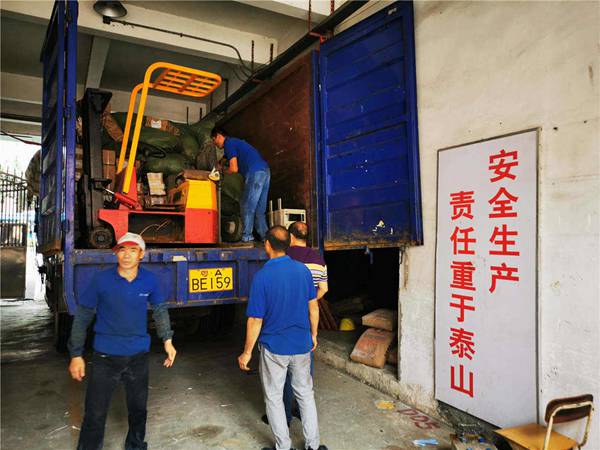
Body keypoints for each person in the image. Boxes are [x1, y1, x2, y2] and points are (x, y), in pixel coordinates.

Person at [68, 232, 176, 450]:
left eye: (133, 250)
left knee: (138, 410)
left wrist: (167, 340)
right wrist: (76, 354)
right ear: (116, 253)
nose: (127, 255)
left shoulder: (149, 280)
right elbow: (83, 316)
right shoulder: (101, 280)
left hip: (138, 356)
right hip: (105, 356)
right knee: (95, 412)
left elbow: (160, 309)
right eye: (122, 250)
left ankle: (135, 445)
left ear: (141, 254)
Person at [238, 226, 327, 450]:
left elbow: (255, 320)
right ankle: (313, 445)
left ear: (267, 245)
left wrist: (247, 352)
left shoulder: (262, 277)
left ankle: (284, 446)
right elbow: (313, 307)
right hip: (301, 344)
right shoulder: (303, 271)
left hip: (274, 347)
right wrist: (313, 334)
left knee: (274, 397)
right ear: (288, 244)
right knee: (305, 394)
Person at [262, 221, 328, 426]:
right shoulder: (318, 259)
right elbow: (324, 289)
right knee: (303, 373)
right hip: (306, 319)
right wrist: (308, 301)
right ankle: (300, 411)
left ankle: (284, 416)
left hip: (283, 318)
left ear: (290, 237)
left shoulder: (285, 257)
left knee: (281, 373)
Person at [211, 127, 270, 243]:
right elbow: (225, 159)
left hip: (255, 173)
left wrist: (222, 171)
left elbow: (234, 168)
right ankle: (266, 238)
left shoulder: (229, 143)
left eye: (214, 140)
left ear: (219, 136)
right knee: (259, 209)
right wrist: (219, 164)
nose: (215, 144)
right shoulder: (235, 143)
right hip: (265, 171)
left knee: (246, 205)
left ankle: (247, 237)